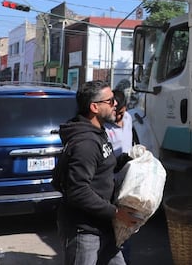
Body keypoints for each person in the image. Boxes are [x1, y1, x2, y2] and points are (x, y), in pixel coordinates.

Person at [57, 80, 137, 265]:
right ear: (94, 107)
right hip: (84, 230)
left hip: (103, 224)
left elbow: (103, 167)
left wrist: (129, 159)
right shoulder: (85, 143)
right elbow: (78, 191)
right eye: (110, 101)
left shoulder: (98, 132)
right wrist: (116, 213)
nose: (115, 104)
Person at [104, 88, 134, 263]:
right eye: (116, 113)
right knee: (114, 227)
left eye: (121, 113)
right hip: (111, 183)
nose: (118, 117)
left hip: (128, 182)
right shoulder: (104, 127)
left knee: (126, 228)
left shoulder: (128, 119)